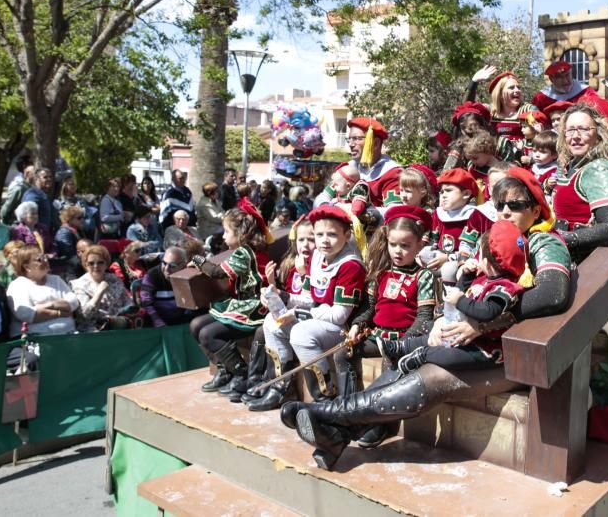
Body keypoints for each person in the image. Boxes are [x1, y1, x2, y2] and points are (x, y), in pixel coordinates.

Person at [279, 166, 573, 468]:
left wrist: (485, 321)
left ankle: (327, 415)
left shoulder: (541, 241)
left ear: (537, 210)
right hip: (474, 342)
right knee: (416, 360)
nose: (506, 212)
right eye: (500, 205)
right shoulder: (497, 241)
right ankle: (336, 434)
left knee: (432, 376)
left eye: (517, 205)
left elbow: (553, 292)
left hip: (512, 352)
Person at [378, 220, 526, 374]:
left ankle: (420, 357)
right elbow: (463, 290)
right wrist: (467, 276)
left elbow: (487, 311)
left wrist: (460, 300)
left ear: (487, 263)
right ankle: (398, 347)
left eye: (479, 254)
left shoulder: (505, 287)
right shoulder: (484, 277)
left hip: (483, 347)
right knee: (430, 332)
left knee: (449, 356)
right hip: (461, 333)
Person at [337, 205, 437, 390]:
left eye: (405, 246)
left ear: (419, 245)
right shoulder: (381, 273)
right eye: (393, 245)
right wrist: (357, 326)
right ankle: (346, 405)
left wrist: (402, 344)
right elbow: (369, 306)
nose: (398, 251)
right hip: (378, 337)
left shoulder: (423, 276)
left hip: (403, 339)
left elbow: (424, 317)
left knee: (389, 366)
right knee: (343, 353)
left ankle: (382, 417)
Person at [188, 209, 269, 396]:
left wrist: (199, 260)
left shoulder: (245, 252)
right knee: (195, 325)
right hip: (242, 303)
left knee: (208, 334)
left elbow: (217, 272)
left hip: (254, 307)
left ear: (240, 233)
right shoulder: (243, 251)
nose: (223, 237)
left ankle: (240, 373)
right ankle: (224, 370)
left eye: (226, 231)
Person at [245, 217, 316, 410]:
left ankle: (280, 387)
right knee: (269, 322)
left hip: (315, 320)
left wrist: (302, 276)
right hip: (294, 316)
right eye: (301, 240)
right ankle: (276, 386)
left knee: (270, 324)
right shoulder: (292, 265)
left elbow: (312, 301)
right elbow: (288, 298)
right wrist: (271, 290)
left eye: (311, 239)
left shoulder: (318, 266)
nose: (306, 245)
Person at [552, 104, 608, 263]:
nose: (576, 136)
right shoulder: (571, 165)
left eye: (584, 129)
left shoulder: (600, 168)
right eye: (570, 130)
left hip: (585, 263)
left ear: (599, 134)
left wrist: (562, 239)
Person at [6, 245, 78, 336]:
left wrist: (49, 305)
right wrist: (59, 313)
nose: (46, 261)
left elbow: (73, 302)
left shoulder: (56, 279)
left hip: (68, 334)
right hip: (36, 338)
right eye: (40, 259)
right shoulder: (18, 285)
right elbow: (26, 314)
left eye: (45, 257)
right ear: (27, 267)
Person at [343, 117, 403, 213]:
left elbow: (394, 211)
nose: (350, 144)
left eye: (356, 139)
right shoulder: (347, 168)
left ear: (375, 143)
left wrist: (350, 211)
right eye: (349, 139)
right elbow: (324, 197)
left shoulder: (392, 173)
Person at [70, 244, 132, 331]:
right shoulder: (78, 284)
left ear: (106, 264)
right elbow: (85, 316)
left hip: (119, 326)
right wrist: (99, 292)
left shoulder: (114, 279)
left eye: (100, 262)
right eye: (91, 263)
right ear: (85, 265)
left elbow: (128, 303)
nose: (96, 266)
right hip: (94, 330)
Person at [138, 246, 193, 328]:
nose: (166, 268)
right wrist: (158, 322)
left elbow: (193, 303)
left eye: (172, 265)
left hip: (182, 320)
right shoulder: (151, 276)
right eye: (164, 263)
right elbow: (147, 304)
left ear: (183, 265)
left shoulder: (189, 275)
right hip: (158, 321)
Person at [53, 205, 86, 275]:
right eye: (79, 218)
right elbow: (68, 254)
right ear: (69, 219)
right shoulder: (64, 232)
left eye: (83, 217)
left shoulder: (77, 230)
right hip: (69, 268)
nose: (83, 220)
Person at [22, 167, 56, 233]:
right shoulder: (33, 195)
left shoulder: (43, 194)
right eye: (45, 177)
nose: (49, 179)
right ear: (37, 179)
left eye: (50, 177)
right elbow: (28, 218)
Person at [529, 130, 559, 194]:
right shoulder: (535, 166)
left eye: (542, 152)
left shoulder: (554, 170)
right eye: (534, 151)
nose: (537, 155)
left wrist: (549, 183)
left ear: (554, 155)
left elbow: (552, 188)